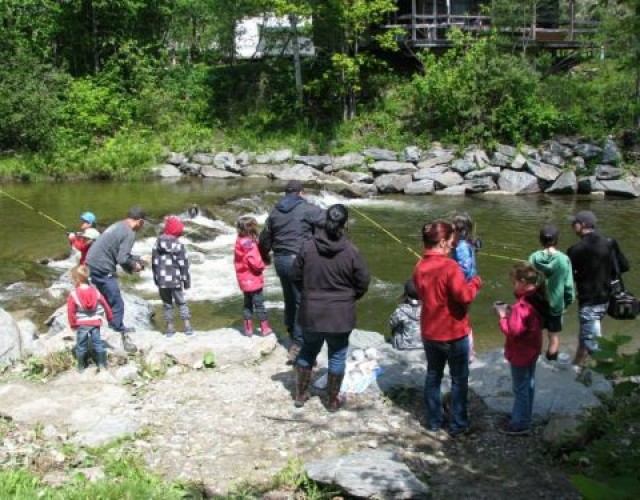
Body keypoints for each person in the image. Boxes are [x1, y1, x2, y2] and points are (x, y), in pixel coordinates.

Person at [292, 204, 370, 411]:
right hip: (340, 315)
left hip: (312, 312)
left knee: (308, 350)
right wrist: (351, 298)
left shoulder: (308, 247)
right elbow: (363, 282)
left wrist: (309, 293)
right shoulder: (352, 251)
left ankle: (301, 394)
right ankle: (332, 400)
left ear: (325, 221)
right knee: (336, 354)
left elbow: (295, 276)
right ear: (345, 224)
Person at [413, 220, 482, 437]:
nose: (453, 246)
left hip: (429, 330)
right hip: (453, 331)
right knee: (459, 379)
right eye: (451, 242)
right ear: (442, 242)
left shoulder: (419, 266)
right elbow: (465, 296)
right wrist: (476, 283)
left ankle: (434, 421)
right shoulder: (450, 267)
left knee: (433, 375)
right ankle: (458, 424)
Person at [258, 180, 325, 362]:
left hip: (280, 260)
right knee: (301, 302)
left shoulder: (275, 211)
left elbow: (265, 237)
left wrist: (264, 255)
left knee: (289, 297)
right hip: (300, 260)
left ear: (286, 193)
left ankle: (291, 331)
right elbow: (328, 220)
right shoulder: (307, 208)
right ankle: (298, 343)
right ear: (300, 193)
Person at [567, 210, 629, 368]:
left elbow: (569, 278)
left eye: (574, 223)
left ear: (582, 225)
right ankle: (577, 365)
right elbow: (624, 266)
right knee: (587, 334)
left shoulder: (575, 250)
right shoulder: (610, 242)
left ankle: (610, 375)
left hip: (589, 302)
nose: (572, 225)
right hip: (607, 299)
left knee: (593, 343)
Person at [494, 262, 548, 436]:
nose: (513, 285)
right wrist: (512, 313)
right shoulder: (537, 299)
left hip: (521, 353)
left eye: (514, 282)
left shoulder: (521, 307)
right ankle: (525, 416)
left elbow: (513, 332)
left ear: (523, 282)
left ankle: (519, 423)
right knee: (529, 384)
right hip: (533, 349)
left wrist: (503, 316)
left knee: (520, 388)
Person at [86, 206, 147, 353]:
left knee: (107, 299)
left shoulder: (119, 225)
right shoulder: (129, 233)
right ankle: (117, 330)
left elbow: (117, 252)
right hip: (102, 268)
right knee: (117, 302)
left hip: (91, 263)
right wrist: (135, 266)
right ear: (140, 221)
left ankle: (111, 325)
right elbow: (121, 258)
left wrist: (138, 259)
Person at [529, 224, 574, 361]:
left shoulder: (534, 257)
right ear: (557, 240)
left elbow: (529, 280)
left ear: (541, 240)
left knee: (536, 334)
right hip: (556, 304)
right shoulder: (563, 259)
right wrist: (567, 302)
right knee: (553, 337)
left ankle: (533, 360)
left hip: (537, 303)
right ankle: (551, 361)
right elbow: (568, 285)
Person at [152, 216, 193, 337]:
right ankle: (187, 326)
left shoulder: (157, 244)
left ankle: (170, 328)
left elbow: (154, 263)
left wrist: (156, 278)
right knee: (181, 303)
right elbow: (183, 265)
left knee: (167, 304)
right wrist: (186, 281)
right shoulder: (179, 246)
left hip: (162, 280)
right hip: (175, 279)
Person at [67, 265, 112, 373]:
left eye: (73, 279)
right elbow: (106, 304)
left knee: (81, 345)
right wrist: (109, 317)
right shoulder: (95, 291)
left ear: (77, 279)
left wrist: (73, 324)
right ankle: (102, 364)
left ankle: (81, 366)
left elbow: (71, 311)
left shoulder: (74, 294)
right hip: (95, 323)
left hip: (82, 324)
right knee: (98, 344)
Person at [234, 216, 272, 337]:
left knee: (247, 305)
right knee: (259, 305)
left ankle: (248, 329)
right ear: (251, 229)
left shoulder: (239, 241)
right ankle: (264, 329)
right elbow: (254, 261)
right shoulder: (249, 244)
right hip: (253, 280)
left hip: (244, 280)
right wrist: (263, 265)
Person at [451, 212, 479, 362]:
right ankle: (466, 351)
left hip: (464, 286)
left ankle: (468, 353)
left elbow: (465, 268)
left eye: (452, 226)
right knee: (463, 317)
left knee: (463, 319)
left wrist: (449, 272)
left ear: (458, 229)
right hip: (469, 284)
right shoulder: (468, 242)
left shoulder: (462, 246)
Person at [389, 279, 422, 350]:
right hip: (424, 345)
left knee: (397, 324)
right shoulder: (428, 308)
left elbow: (391, 324)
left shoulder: (401, 310)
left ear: (406, 295)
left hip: (404, 345)